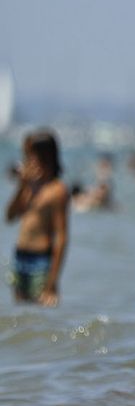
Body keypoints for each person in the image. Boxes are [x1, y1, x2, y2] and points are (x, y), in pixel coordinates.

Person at [7, 130, 69, 306]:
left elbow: (61, 237)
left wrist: (53, 282)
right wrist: (22, 185)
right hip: (20, 257)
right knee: (22, 317)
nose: (26, 161)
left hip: (41, 261)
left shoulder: (57, 190)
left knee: (40, 313)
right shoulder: (28, 187)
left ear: (44, 157)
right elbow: (10, 216)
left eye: (29, 156)